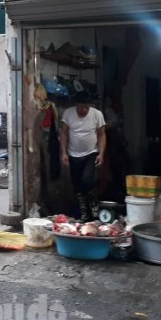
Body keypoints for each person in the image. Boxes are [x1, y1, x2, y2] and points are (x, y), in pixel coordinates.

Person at [60, 91, 107, 222]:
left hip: (91, 153)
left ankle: (95, 209)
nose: (84, 110)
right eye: (81, 107)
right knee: (77, 185)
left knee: (87, 180)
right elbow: (64, 133)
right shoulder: (68, 113)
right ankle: (85, 214)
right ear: (76, 104)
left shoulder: (97, 114)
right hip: (73, 155)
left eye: (87, 107)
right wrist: (63, 153)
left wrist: (101, 154)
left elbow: (102, 134)